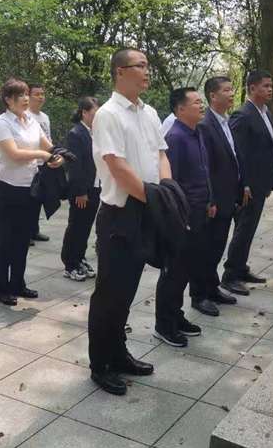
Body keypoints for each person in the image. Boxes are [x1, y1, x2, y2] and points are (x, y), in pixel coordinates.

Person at [88, 47, 172, 396]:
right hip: (120, 214)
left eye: (148, 65)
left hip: (147, 207)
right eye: (140, 65)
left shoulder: (149, 112)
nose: (147, 71)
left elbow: (161, 154)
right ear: (120, 72)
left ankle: (118, 353)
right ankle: (100, 364)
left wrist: (166, 191)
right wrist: (155, 198)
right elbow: (117, 167)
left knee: (128, 290)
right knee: (109, 293)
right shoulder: (108, 115)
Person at [0, 78, 64, 306]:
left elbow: (47, 145)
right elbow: (13, 154)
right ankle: (2, 288)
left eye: (25, 94)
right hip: (7, 188)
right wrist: (42, 155)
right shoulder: (2, 123)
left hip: (29, 188)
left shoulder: (31, 120)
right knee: (5, 240)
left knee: (23, 240)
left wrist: (57, 156)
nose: (25, 99)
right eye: (19, 96)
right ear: (7, 99)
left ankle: (18, 284)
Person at [153, 88, 208, 347]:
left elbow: (202, 171)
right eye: (196, 102)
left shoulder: (197, 132)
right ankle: (164, 325)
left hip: (198, 212)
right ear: (180, 109)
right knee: (173, 271)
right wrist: (178, 216)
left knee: (185, 269)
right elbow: (169, 181)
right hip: (181, 216)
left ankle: (176, 315)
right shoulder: (175, 137)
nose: (201, 105)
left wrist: (209, 201)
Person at [223, 70, 273, 295]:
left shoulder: (265, 112)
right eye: (265, 86)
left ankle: (240, 268)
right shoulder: (243, 115)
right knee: (244, 229)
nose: (270, 89)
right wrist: (244, 184)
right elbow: (237, 153)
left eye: (271, 86)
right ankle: (230, 276)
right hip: (249, 187)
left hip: (261, 183)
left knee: (249, 229)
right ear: (252, 88)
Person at [195, 76, 240, 316]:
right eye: (226, 90)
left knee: (217, 246)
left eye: (232, 89)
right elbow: (205, 167)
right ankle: (199, 295)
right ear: (213, 96)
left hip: (228, 196)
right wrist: (210, 199)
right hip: (214, 200)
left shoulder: (226, 121)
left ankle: (212, 288)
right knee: (206, 249)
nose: (231, 93)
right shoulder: (205, 125)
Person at [61, 97, 100, 281]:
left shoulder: (94, 132)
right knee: (76, 226)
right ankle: (70, 264)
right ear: (84, 113)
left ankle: (80, 258)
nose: (97, 117)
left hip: (95, 186)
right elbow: (75, 166)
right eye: (94, 114)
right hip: (81, 189)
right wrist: (80, 192)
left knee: (85, 227)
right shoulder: (76, 133)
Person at [28, 82, 51, 244]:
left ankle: (34, 230)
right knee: (29, 199)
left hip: (45, 163)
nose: (40, 97)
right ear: (28, 97)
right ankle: (26, 233)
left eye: (42, 94)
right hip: (31, 164)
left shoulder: (45, 117)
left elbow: (48, 139)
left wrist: (53, 156)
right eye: (36, 94)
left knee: (39, 199)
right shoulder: (26, 116)